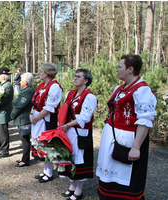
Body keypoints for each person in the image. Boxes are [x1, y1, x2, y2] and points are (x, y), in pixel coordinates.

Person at [96, 55, 157, 200]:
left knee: (125, 176)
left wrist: (136, 147)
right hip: (112, 136)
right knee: (108, 175)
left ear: (130, 69)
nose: (116, 70)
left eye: (119, 67)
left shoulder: (142, 90)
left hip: (128, 139)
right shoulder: (120, 88)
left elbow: (144, 120)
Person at [58, 69, 97, 200]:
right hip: (68, 131)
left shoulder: (89, 97)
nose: (75, 78)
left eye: (78, 77)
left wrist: (68, 125)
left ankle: (79, 190)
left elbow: (85, 117)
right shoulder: (70, 94)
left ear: (86, 80)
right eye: (75, 76)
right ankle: (72, 186)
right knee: (71, 158)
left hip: (80, 133)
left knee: (80, 160)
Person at [30, 62, 62, 183]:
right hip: (38, 119)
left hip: (46, 120)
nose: (40, 73)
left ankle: (49, 173)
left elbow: (50, 107)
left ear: (47, 73)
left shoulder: (54, 86)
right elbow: (34, 101)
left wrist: (36, 117)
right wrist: (31, 114)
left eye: (42, 71)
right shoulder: (41, 85)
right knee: (41, 144)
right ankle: (45, 170)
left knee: (47, 145)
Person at [11, 72, 35, 167]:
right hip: (22, 118)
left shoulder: (28, 91)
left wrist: (12, 114)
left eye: (21, 80)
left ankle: (25, 160)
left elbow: (20, 104)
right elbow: (16, 101)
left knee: (25, 140)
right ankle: (24, 157)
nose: (20, 81)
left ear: (25, 81)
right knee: (23, 140)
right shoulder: (25, 90)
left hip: (23, 118)